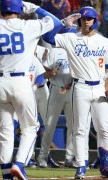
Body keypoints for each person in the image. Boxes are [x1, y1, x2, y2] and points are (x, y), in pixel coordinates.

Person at [0, 0, 64, 179]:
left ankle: (6, 174)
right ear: (20, 9)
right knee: (31, 127)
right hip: (21, 81)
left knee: (4, 132)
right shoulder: (28, 25)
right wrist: (35, 8)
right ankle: (20, 164)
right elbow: (57, 22)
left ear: (2, 10)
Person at [43, 6, 108, 179]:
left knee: (105, 128)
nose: (86, 22)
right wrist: (63, 23)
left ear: (95, 20)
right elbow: (47, 37)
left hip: (99, 87)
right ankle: (81, 165)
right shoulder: (70, 38)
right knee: (80, 130)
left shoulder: (104, 42)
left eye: (89, 19)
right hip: (80, 87)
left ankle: (105, 165)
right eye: (83, 19)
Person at [38, 29, 76, 168]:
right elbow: (43, 74)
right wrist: (51, 73)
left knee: (72, 125)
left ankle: (69, 158)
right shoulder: (55, 51)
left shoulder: (77, 51)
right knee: (49, 124)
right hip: (56, 89)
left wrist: (71, 83)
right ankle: (43, 157)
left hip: (72, 90)